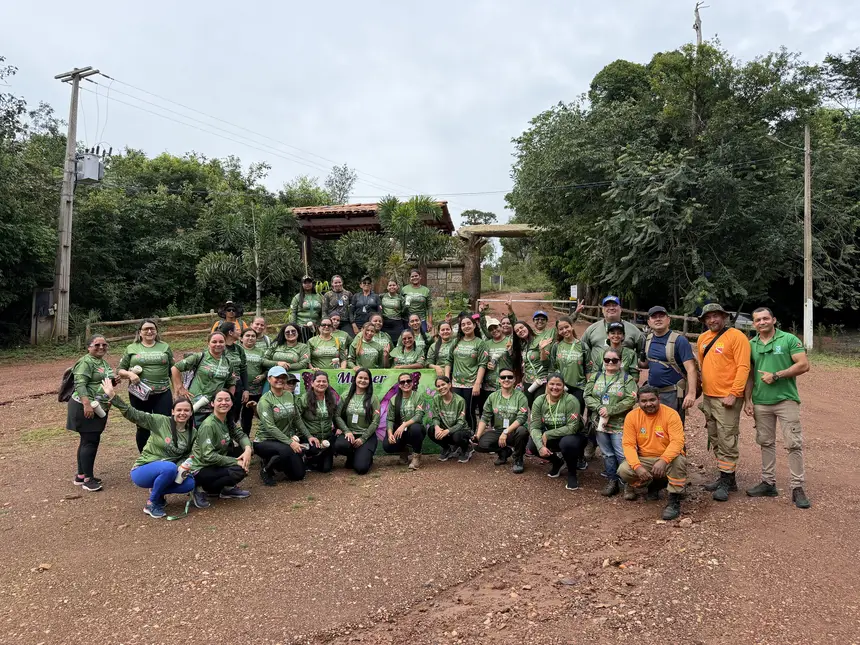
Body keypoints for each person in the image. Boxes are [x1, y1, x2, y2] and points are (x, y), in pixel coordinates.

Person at [743, 307, 811, 508]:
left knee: (793, 443)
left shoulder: (789, 340)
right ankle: (768, 483)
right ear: (754, 324)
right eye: (757, 320)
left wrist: (776, 375)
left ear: (773, 320)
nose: (762, 322)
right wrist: (747, 400)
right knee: (765, 442)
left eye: (765, 318)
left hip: (786, 400)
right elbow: (749, 375)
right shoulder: (750, 345)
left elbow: (804, 365)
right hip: (761, 402)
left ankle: (797, 487)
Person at [102, 379, 195, 518]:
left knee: (189, 483)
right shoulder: (160, 421)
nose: (183, 413)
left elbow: (188, 455)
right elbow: (134, 414)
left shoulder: (192, 433)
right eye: (179, 410)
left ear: (191, 413)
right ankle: (151, 503)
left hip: (168, 470)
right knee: (168, 467)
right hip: (143, 470)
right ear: (173, 412)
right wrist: (113, 396)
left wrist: (184, 466)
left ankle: (158, 490)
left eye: (186, 410)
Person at [697, 303, 751, 502]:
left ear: (724, 317)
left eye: (716, 316)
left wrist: (735, 393)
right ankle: (727, 478)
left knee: (727, 438)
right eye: (708, 317)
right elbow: (703, 366)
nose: (713, 320)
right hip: (709, 397)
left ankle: (726, 481)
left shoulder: (736, 337)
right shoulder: (703, 339)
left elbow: (744, 367)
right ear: (704, 321)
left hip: (727, 397)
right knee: (715, 437)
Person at [617, 386, 687, 520]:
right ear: (638, 402)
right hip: (645, 459)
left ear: (659, 399)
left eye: (652, 400)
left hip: (667, 458)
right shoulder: (632, 417)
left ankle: (674, 501)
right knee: (624, 470)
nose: (648, 404)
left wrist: (664, 460)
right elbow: (628, 445)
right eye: (644, 401)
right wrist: (637, 467)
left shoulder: (671, 414)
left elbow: (678, 441)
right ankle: (654, 484)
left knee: (679, 461)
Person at [584, 348, 638, 496]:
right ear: (603, 361)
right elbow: (587, 395)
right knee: (607, 454)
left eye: (614, 360)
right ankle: (612, 481)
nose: (610, 363)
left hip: (620, 423)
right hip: (600, 423)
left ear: (620, 362)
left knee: (622, 454)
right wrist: (600, 407)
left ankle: (629, 484)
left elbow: (631, 398)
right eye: (607, 360)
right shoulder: (596, 376)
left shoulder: (627, 379)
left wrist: (611, 409)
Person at [116, 319, 175, 453]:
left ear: (156, 331)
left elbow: (173, 369)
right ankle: (145, 456)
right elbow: (120, 370)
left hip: (163, 392)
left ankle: (164, 454)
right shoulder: (132, 348)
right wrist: (130, 375)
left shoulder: (164, 346)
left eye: (152, 329)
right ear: (140, 332)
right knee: (142, 425)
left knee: (164, 424)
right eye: (146, 329)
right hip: (139, 394)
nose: (149, 331)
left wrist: (178, 389)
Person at [189, 390, 252, 508]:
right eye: (219, 400)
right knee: (239, 468)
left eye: (227, 400)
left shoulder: (227, 419)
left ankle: (224, 489)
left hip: (216, 463)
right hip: (201, 468)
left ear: (232, 403)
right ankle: (198, 488)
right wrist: (236, 462)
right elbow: (208, 456)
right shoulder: (208, 425)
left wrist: (248, 450)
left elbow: (240, 435)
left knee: (244, 455)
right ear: (212, 403)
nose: (224, 403)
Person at [67, 334, 115, 492]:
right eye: (97, 345)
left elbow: (100, 380)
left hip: (98, 406)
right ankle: (88, 479)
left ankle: (81, 475)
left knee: (87, 440)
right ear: (89, 347)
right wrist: (86, 404)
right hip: (85, 406)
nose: (101, 347)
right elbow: (80, 383)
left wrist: (113, 382)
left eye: (104, 345)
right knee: (90, 441)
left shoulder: (101, 362)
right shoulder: (85, 361)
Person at [527, 373, 586, 490]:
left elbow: (572, 427)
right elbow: (534, 427)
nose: (555, 387)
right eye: (552, 384)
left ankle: (572, 474)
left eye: (559, 384)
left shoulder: (571, 400)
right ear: (546, 385)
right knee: (533, 445)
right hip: (552, 436)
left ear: (563, 386)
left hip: (573, 436)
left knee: (567, 443)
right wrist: (540, 446)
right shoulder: (539, 401)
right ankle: (557, 462)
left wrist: (548, 434)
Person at [641, 306, 698, 422]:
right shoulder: (648, 339)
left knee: (672, 428)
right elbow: (648, 363)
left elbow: (691, 369)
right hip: (652, 393)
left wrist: (691, 393)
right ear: (649, 322)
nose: (658, 319)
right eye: (654, 317)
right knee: (652, 427)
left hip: (672, 393)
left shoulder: (679, 341)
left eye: (661, 316)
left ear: (668, 320)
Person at [171, 332, 237, 425]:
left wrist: (228, 400)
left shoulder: (228, 362)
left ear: (225, 343)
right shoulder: (200, 357)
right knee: (193, 432)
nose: (218, 344)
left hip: (215, 406)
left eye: (221, 342)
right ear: (208, 343)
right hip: (195, 403)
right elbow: (175, 368)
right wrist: (180, 387)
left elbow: (231, 383)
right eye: (214, 342)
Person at [254, 368, 305, 486]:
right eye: (277, 377)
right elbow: (270, 427)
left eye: (283, 378)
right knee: (287, 449)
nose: (280, 380)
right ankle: (266, 469)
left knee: (299, 475)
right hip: (264, 441)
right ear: (269, 379)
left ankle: (277, 462)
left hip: (282, 440)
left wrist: (309, 436)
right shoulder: (265, 400)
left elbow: (297, 419)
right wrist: (290, 442)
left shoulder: (289, 395)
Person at [474, 368, 530, 473]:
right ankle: (504, 452)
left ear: (514, 380)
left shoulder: (521, 397)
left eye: (510, 377)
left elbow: (522, 418)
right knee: (480, 444)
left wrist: (506, 432)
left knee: (522, 431)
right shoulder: (493, 396)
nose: (506, 379)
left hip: (515, 431)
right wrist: (477, 435)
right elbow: (485, 417)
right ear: (499, 380)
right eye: (503, 377)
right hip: (499, 430)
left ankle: (518, 459)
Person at [334, 368, 382, 475]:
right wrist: (346, 431)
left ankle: (364, 457)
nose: (363, 380)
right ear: (355, 379)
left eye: (366, 378)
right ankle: (352, 456)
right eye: (360, 377)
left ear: (369, 381)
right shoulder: (345, 396)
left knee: (361, 468)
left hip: (366, 436)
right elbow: (337, 415)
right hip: (350, 434)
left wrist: (363, 438)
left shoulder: (373, 399)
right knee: (339, 445)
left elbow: (375, 421)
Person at [581, 296, 643, 376]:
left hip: (624, 379)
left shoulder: (633, 330)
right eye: (607, 306)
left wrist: (635, 364)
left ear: (620, 309)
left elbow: (642, 353)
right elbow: (582, 349)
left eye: (614, 305)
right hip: (598, 378)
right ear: (602, 310)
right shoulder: (592, 329)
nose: (611, 308)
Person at [447, 314, 489, 430]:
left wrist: (477, 383)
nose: (466, 326)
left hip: (471, 384)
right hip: (456, 383)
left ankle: (471, 436)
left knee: (469, 411)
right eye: (463, 324)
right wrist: (447, 380)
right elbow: (448, 361)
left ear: (475, 325)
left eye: (469, 323)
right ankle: (458, 437)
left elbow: (482, 364)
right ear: (460, 327)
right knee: (457, 411)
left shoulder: (480, 343)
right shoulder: (456, 342)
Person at [296, 371, 338, 472]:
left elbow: (336, 416)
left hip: (326, 438)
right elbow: (297, 419)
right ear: (312, 383)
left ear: (328, 383)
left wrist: (339, 428)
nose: (321, 383)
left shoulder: (331, 398)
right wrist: (308, 435)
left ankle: (314, 459)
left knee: (326, 469)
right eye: (318, 381)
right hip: (310, 437)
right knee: (314, 449)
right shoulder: (304, 398)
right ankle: (305, 457)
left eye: (324, 381)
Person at [382, 372, 427, 470]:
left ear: (412, 382)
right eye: (402, 382)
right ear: (399, 385)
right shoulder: (394, 399)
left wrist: (404, 425)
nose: (406, 383)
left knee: (416, 428)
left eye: (408, 381)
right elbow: (390, 419)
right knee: (387, 446)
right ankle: (404, 450)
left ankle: (416, 456)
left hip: (415, 430)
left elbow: (419, 416)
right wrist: (390, 434)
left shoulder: (418, 396)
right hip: (400, 432)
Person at [429, 376, 473, 463]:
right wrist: (437, 427)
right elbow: (435, 417)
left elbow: (461, 423)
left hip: (461, 430)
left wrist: (448, 431)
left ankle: (466, 448)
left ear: (449, 385)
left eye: (443, 384)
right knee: (431, 430)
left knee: (457, 436)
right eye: (438, 386)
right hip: (446, 429)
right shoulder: (436, 399)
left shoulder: (460, 401)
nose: (441, 388)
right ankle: (447, 448)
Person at [548, 315, 585, 409]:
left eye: (566, 327)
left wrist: (588, 389)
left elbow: (588, 368)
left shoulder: (582, 346)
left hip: (579, 387)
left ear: (571, 326)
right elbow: (552, 368)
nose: (564, 330)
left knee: (576, 417)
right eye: (561, 329)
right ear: (558, 331)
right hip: (560, 387)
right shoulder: (556, 346)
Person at [511, 321, 552, 405]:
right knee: (530, 406)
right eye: (517, 331)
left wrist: (542, 350)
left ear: (527, 327)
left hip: (541, 380)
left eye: (521, 327)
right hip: (528, 381)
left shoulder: (539, 340)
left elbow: (546, 364)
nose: (520, 331)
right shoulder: (523, 345)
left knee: (539, 407)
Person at [219, 321, 248, 426]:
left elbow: (244, 369)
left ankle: (232, 436)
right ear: (231, 332)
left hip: (238, 385)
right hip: (223, 385)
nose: (239, 331)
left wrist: (246, 390)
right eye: (237, 329)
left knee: (235, 414)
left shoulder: (239, 349)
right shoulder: (219, 348)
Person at [240, 328, 266, 436]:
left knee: (250, 415)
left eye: (253, 336)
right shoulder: (237, 350)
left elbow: (267, 367)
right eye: (247, 335)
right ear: (241, 338)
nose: (250, 338)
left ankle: (254, 438)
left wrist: (263, 376)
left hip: (256, 390)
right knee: (236, 416)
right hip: (240, 389)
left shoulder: (261, 352)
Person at [481, 317, 513, 395]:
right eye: (491, 329)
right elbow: (482, 361)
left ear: (501, 326)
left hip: (506, 382)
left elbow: (516, 360)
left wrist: (511, 351)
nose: (494, 331)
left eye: (495, 327)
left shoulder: (510, 341)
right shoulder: (486, 344)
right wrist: (487, 364)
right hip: (489, 384)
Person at [290, 276, 323, 343]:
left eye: (309, 282)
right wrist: (294, 327)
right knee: (304, 346)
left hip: (316, 327)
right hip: (301, 327)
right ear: (302, 284)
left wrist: (320, 324)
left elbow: (323, 312)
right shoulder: (297, 297)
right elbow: (293, 313)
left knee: (316, 345)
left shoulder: (319, 297)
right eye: (305, 282)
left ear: (312, 283)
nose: (307, 284)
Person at [380, 278, 406, 345]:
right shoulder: (382, 296)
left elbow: (404, 311)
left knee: (398, 342)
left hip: (397, 323)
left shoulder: (401, 298)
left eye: (394, 285)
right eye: (390, 285)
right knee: (385, 342)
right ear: (387, 287)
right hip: (385, 323)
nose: (392, 287)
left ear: (397, 287)